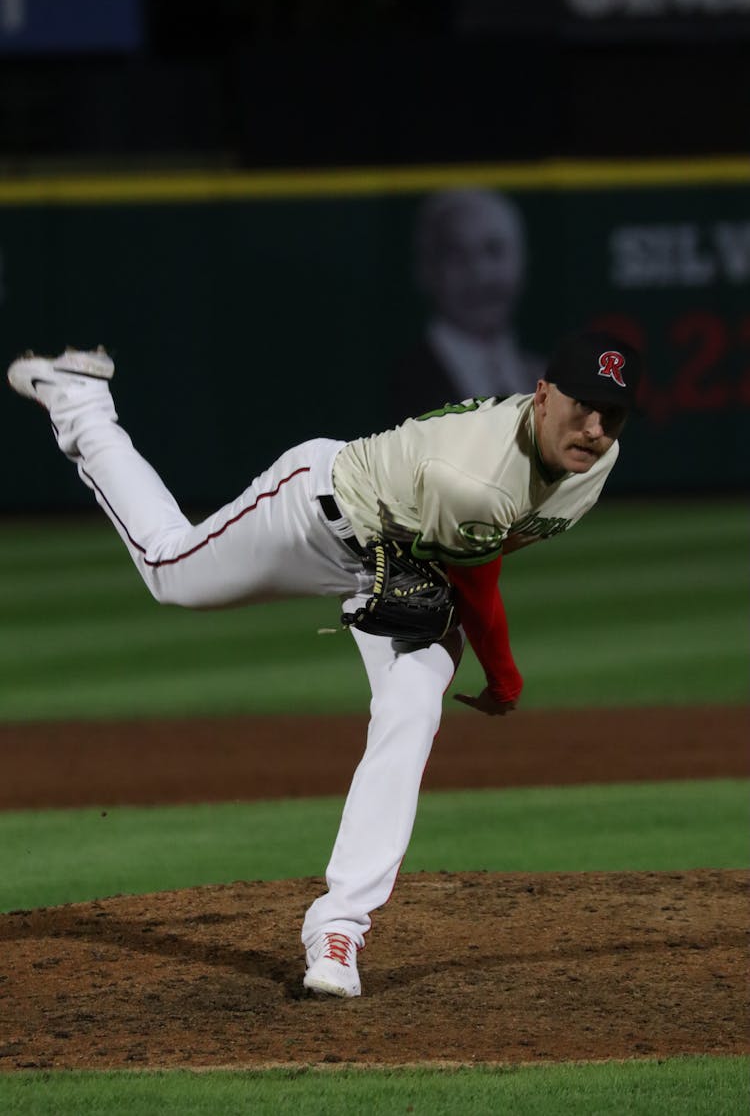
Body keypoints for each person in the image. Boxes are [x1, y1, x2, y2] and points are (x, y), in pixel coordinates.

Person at [7, 329, 641, 998]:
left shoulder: (595, 458)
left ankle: (338, 927)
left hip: (411, 556)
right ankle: (80, 404)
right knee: (170, 569)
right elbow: (480, 589)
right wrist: (504, 679)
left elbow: (481, 547)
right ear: (543, 396)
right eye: (582, 406)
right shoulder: (476, 477)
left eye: (613, 413)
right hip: (314, 516)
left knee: (412, 709)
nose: (596, 427)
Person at [391, 188, 543, 424]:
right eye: (457, 256)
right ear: (427, 271)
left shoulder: (543, 373)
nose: (480, 275)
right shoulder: (401, 382)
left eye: (494, 251)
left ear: (522, 260)